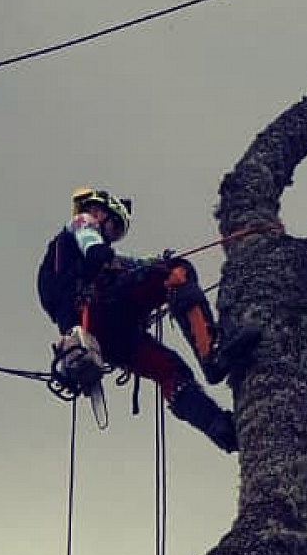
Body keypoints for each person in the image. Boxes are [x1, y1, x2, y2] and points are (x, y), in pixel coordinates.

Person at [36, 188, 257, 453]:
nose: (113, 235)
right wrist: (139, 261)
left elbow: (128, 264)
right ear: (98, 211)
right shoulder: (83, 224)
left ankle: (221, 429)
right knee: (176, 272)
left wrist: (145, 263)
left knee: (169, 370)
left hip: (102, 338)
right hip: (102, 307)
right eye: (115, 225)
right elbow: (95, 247)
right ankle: (212, 353)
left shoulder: (65, 262)